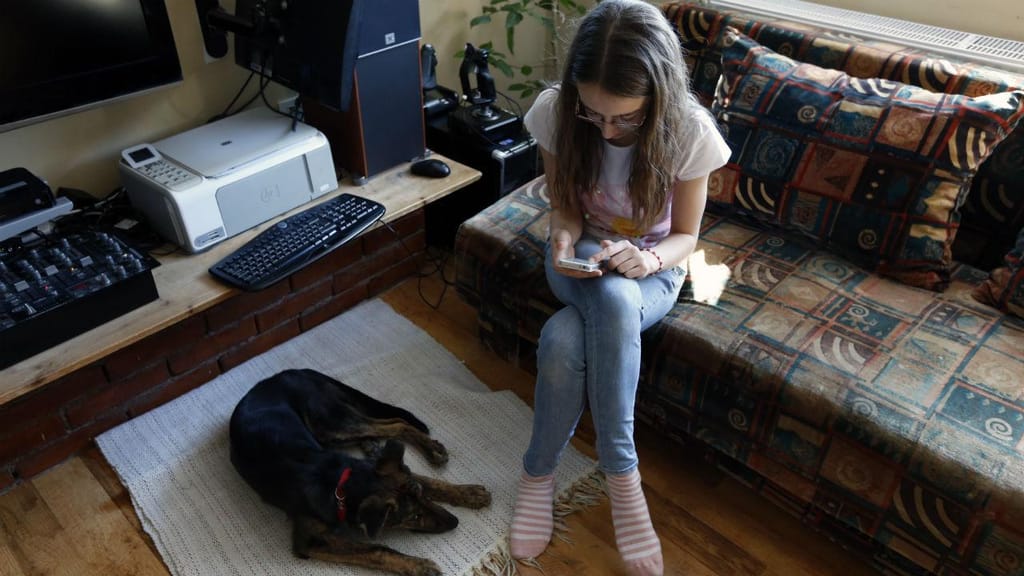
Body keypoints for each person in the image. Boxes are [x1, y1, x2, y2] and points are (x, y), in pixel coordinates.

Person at [507, 1, 731, 574]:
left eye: (625, 118)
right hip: (579, 256)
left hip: (654, 268)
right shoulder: (556, 113)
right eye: (594, 114)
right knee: (605, 293)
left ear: (658, 97)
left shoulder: (690, 132)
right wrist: (561, 241)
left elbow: (685, 237)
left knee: (565, 339)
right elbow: (565, 210)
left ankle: (540, 475)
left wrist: (647, 258)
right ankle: (624, 480)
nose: (606, 130)